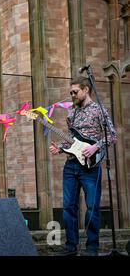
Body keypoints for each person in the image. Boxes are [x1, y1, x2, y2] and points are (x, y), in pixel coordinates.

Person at [49, 76, 117, 256]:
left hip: (91, 167)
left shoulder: (99, 110)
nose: (72, 95)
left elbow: (112, 135)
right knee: (68, 207)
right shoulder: (71, 113)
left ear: (86, 90)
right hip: (71, 166)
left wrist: (95, 146)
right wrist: (60, 149)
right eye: (70, 92)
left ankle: (92, 247)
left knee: (92, 206)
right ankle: (71, 247)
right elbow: (73, 142)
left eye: (75, 92)